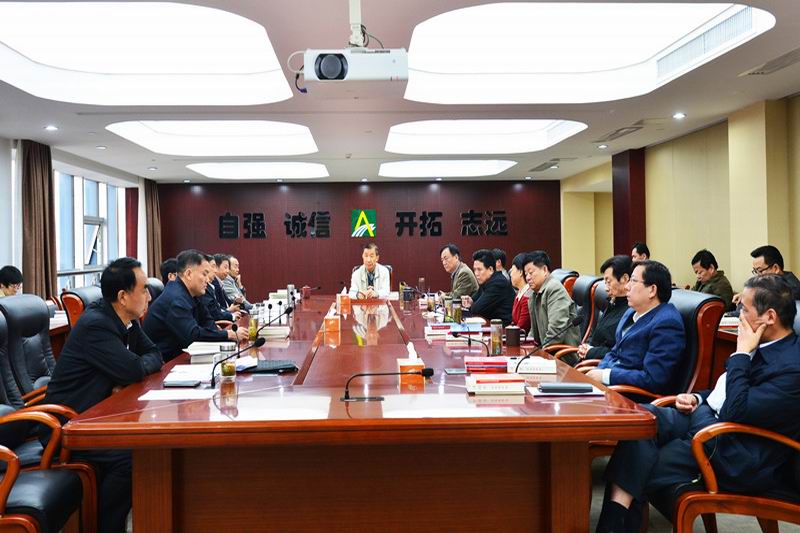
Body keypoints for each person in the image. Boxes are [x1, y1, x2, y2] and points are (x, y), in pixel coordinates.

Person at [596, 275, 800, 533]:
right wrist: (699, 398)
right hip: (707, 421)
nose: (738, 315)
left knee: (639, 463)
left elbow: (735, 411)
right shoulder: (762, 343)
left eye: (744, 309)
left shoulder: (791, 367)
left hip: (735, 450)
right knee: (641, 422)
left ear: (769, 317)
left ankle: (611, 527)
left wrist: (741, 354)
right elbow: (728, 390)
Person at [42, 257, 163, 533]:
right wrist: (129, 372)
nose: (149, 296)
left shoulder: (127, 320)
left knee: (146, 447)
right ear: (123, 296)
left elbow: (155, 353)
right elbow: (133, 369)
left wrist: (130, 371)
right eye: (144, 289)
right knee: (133, 457)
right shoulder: (96, 325)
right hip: (68, 425)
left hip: (98, 415)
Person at [586, 260, 685, 394]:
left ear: (652, 290)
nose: (627, 287)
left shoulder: (667, 323)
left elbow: (653, 379)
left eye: (633, 281)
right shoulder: (631, 312)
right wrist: (599, 371)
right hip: (610, 388)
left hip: (631, 397)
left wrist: (606, 375)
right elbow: (614, 352)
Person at [143, 249, 247, 361]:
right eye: (204, 274)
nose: (208, 280)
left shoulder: (193, 294)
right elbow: (192, 335)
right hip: (167, 363)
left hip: (183, 356)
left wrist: (220, 333)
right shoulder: (175, 298)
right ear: (188, 274)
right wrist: (228, 334)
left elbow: (207, 321)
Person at [577, 255, 632, 361]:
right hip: (590, 361)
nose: (606, 288)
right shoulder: (613, 303)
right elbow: (597, 336)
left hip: (601, 365)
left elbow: (618, 351)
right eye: (605, 282)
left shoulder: (632, 310)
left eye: (608, 281)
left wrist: (591, 351)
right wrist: (587, 348)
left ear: (624, 279)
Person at [525, 251, 580, 354]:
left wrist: (540, 354)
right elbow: (533, 331)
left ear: (544, 270)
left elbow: (555, 332)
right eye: (526, 274)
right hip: (547, 352)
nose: (527, 277)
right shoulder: (534, 293)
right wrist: (527, 349)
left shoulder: (554, 289)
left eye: (531, 273)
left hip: (562, 356)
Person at [732, 245, 800, 304]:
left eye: (760, 271)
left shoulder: (794, 289)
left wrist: (750, 295)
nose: (757, 276)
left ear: (775, 268)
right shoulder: (768, 284)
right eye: (755, 271)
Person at [461, 251, 515, 326]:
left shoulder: (498, 283)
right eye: (475, 269)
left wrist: (471, 305)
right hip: (492, 325)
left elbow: (476, 309)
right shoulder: (487, 281)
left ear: (490, 269)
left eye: (479, 269)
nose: (476, 273)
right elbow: (474, 300)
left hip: (503, 329)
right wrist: (470, 301)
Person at [509, 252, 532, 332]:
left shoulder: (527, 297)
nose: (510, 274)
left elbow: (521, 328)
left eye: (512, 270)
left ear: (520, 272)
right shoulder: (519, 294)